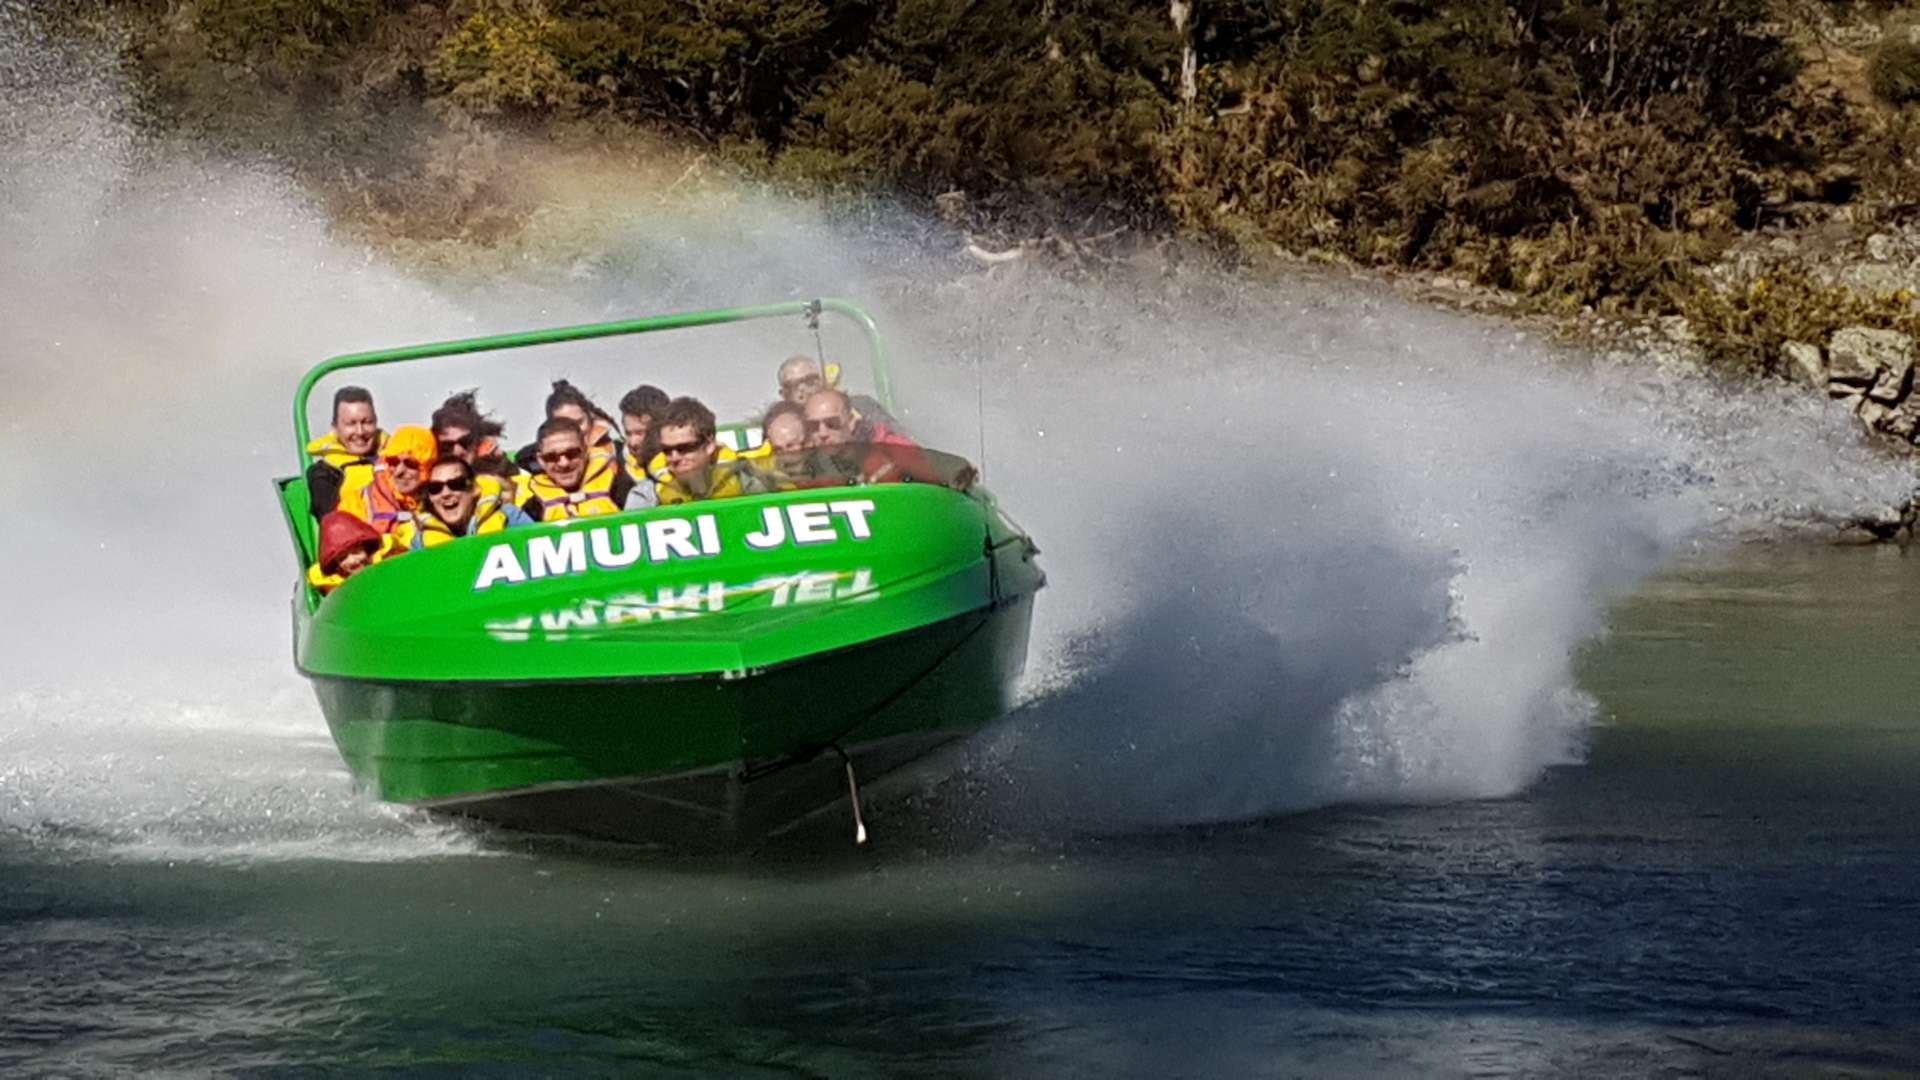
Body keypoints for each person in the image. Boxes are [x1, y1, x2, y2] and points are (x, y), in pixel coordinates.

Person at [803, 389, 952, 486]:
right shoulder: (799, 460)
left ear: (851, 423)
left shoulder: (889, 447)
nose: (822, 433)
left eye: (832, 423)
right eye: (813, 427)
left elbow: (936, 467)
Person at [648, 396, 765, 504]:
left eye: (684, 448)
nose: (674, 457)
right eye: (666, 450)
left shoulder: (747, 483)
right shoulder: (650, 494)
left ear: (709, 446)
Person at [394, 458, 531, 549]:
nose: (446, 493)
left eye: (456, 484)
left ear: (475, 489)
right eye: (436, 488)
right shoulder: (420, 542)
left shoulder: (510, 517)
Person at [520, 417, 633, 521]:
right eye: (551, 457)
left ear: (585, 451)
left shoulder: (622, 488)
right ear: (541, 460)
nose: (564, 463)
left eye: (572, 453)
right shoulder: (531, 511)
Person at [305, 386, 388, 518]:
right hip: (360, 533)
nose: (360, 432)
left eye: (367, 422)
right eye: (351, 424)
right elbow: (333, 523)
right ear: (335, 428)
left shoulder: (395, 458)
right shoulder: (326, 472)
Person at [339, 425, 436, 534]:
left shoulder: (441, 500)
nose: (399, 471)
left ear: (428, 468)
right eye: (393, 462)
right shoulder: (356, 503)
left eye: (410, 464)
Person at [433, 390, 523, 505]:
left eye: (465, 442)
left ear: (477, 441)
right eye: (447, 445)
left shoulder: (508, 472)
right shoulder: (429, 485)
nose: (457, 451)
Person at [307, 510, 398, 595]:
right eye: (343, 558)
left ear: (366, 548)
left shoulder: (389, 561)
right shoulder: (334, 587)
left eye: (356, 552)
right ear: (335, 564)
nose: (352, 561)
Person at [618, 383, 670, 509]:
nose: (633, 442)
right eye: (628, 434)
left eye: (640, 433)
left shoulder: (686, 462)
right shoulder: (618, 472)